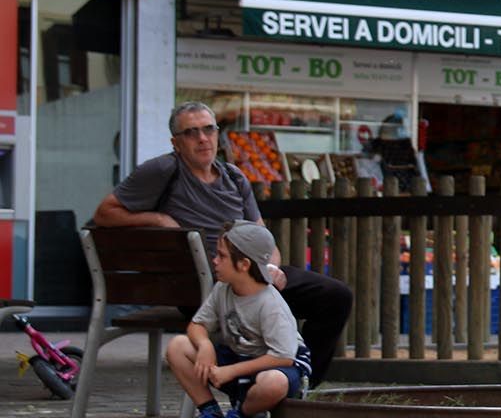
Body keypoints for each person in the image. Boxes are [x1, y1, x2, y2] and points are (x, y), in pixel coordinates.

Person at [92, 102, 353, 388]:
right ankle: (267, 393)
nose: (202, 138)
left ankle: (299, 388)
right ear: (176, 142)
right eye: (191, 132)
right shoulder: (163, 170)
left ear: (218, 134)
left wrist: (270, 267)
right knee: (263, 313)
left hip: (251, 277)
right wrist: (158, 218)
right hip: (206, 288)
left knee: (335, 296)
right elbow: (104, 213)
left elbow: (262, 236)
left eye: (208, 129)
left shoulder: (233, 176)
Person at [167, 222, 312, 418]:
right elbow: (197, 325)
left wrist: (230, 372)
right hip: (238, 360)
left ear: (244, 264)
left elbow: (282, 356)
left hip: (277, 367)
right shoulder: (223, 288)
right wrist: (205, 346)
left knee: (273, 381)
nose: (215, 261)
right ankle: (210, 414)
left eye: (222, 256)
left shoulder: (270, 304)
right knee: (178, 347)